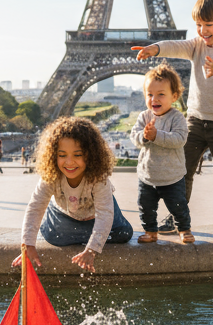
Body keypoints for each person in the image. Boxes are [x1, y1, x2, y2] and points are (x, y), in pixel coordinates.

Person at [133, 0, 213, 238]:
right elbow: (175, 46)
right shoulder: (196, 45)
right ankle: (177, 217)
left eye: (208, 24)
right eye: (198, 25)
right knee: (183, 172)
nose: (202, 30)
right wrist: (155, 48)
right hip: (195, 120)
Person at [13, 116, 133, 274]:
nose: (69, 162)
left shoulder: (99, 178)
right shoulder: (51, 176)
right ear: (52, 155)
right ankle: (88, 235)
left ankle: (88, 235)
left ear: (91, 155)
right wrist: (28, 245)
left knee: (123, 234)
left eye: (78, 155)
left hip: (96, 214)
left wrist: (92, 249)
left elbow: (105, 213)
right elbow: (35, 207)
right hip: (64, 213)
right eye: (62, 155)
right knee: (54, 237)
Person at [131, 63, 193, 244]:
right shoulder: (144, 117)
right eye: (149, 94)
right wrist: (144, 136)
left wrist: (156, 135)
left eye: (160, 94)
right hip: (147, 176)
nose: (154, 99)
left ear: (174, 96)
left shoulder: (177, 117)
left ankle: (184, 229)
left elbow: (180, 139)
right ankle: (150, 231)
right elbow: (134, 138)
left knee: (178, 206)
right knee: (145, 207)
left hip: (171, 176)